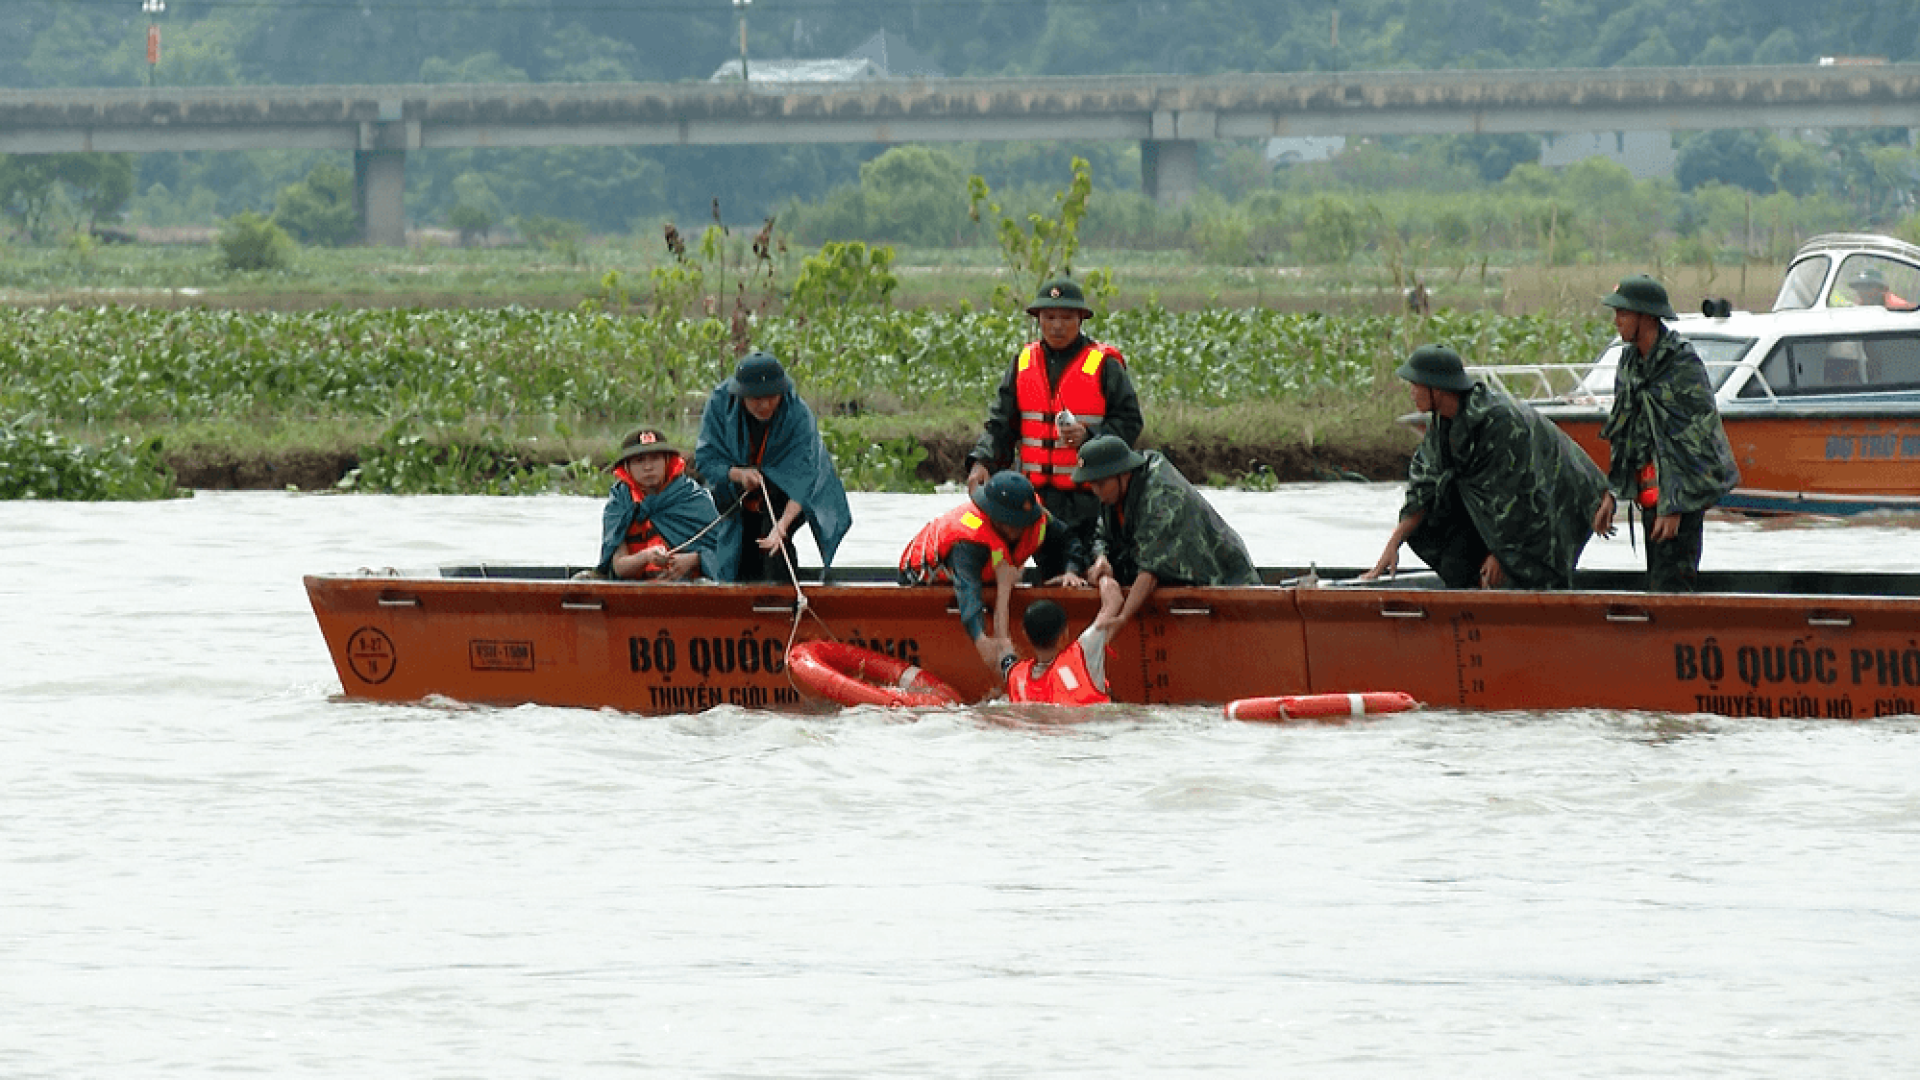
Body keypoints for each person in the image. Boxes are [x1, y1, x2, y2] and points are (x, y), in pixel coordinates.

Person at [1360, 345, 1610, 590]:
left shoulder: (1498, 422)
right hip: (1508, 514)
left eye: (1416, 385)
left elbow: (1519, 496)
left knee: (1524, 573)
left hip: (1554, 500)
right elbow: (1423, 488)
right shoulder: (1441, 425)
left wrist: (1501, 556)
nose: (1412, 392)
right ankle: (1470, 587)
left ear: (1437, 388)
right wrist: (1393, 545)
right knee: (1435, 519)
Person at [966, 277, 1143, 582]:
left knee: (1092, 571)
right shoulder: (1023, 362)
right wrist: (982, 462)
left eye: (1066, 318)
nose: (1057, 326)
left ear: (1081, 320)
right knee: (1052, 574)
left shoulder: (1104, 364)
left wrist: (1090, 436)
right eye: (1049, 318)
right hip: (1038, 502)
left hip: (1092, 499)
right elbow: (1000, 424)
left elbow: (1130, 421)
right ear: (1038, 320)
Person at [1592, 275, 1741, 593]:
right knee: (1655, 585)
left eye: (1623, 313)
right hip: (1650, 499)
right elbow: (1623, 431)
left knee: (1672, 588)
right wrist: (1612, 495)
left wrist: (1676, 506)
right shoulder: (1630, 362)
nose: (1616, 321)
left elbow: (1695, 442)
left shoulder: (1681, 363)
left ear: (1645, 317)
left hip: (1681, 500)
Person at [899, 471, 1082, 674]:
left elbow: (1068, 540)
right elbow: (968, 591)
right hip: (928, 580)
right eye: (1014, 524)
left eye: (1024, 522)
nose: (1021, 529)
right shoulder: (968, 541)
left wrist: (1071, 571)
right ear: (996, 517)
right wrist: (981, 639)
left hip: (992, 577)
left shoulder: (1037, 517)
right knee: (972, 594)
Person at [694, 350, 852, 584]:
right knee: (737, 553)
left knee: (776, 549)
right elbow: (706, 459)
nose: (765, 405)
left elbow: (804, 479)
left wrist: (782, 526)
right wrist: (739, 475)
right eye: (756, 399)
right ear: (741, 395)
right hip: (738, 490)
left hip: (785, 494)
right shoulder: (720, 404)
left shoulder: (797, 413)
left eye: (771, 397)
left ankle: (786, 597)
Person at [1074, 435, 1258, 629]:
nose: (1096, 491)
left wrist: (1122, 618)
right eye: (1091, 484)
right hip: (1174, 577)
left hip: (1224, 581)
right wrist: (1102, 558)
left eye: (1100, 484)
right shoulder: (1113, 495)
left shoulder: (1162, 494)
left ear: (1123, 473)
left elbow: (1151, 569)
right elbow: (1101, 535)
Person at [594, 428, 721, 581]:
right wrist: (646, 557)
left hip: (688, 589)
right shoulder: (619, 504)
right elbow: (619, 568)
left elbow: (724, 552)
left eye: (655, 458)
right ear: (627, 467)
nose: (648, 467)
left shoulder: (694, 498)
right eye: (639, 461)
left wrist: (694, 559)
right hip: (635, 591)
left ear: (667, 461)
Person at [1004, 576, 1125, 706]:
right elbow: (1114, 600)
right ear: (1064, 635)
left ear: (1025, 636)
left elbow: (1000, 643)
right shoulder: (1083, 654)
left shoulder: (1015, 675)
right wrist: (1100, 576)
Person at [1844, 265, 1917, 311]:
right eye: (1859, 286)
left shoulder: (1898, 307)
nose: (1861, 291)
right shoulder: (1862, 303)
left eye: (1868, 286)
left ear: (1881, 289)